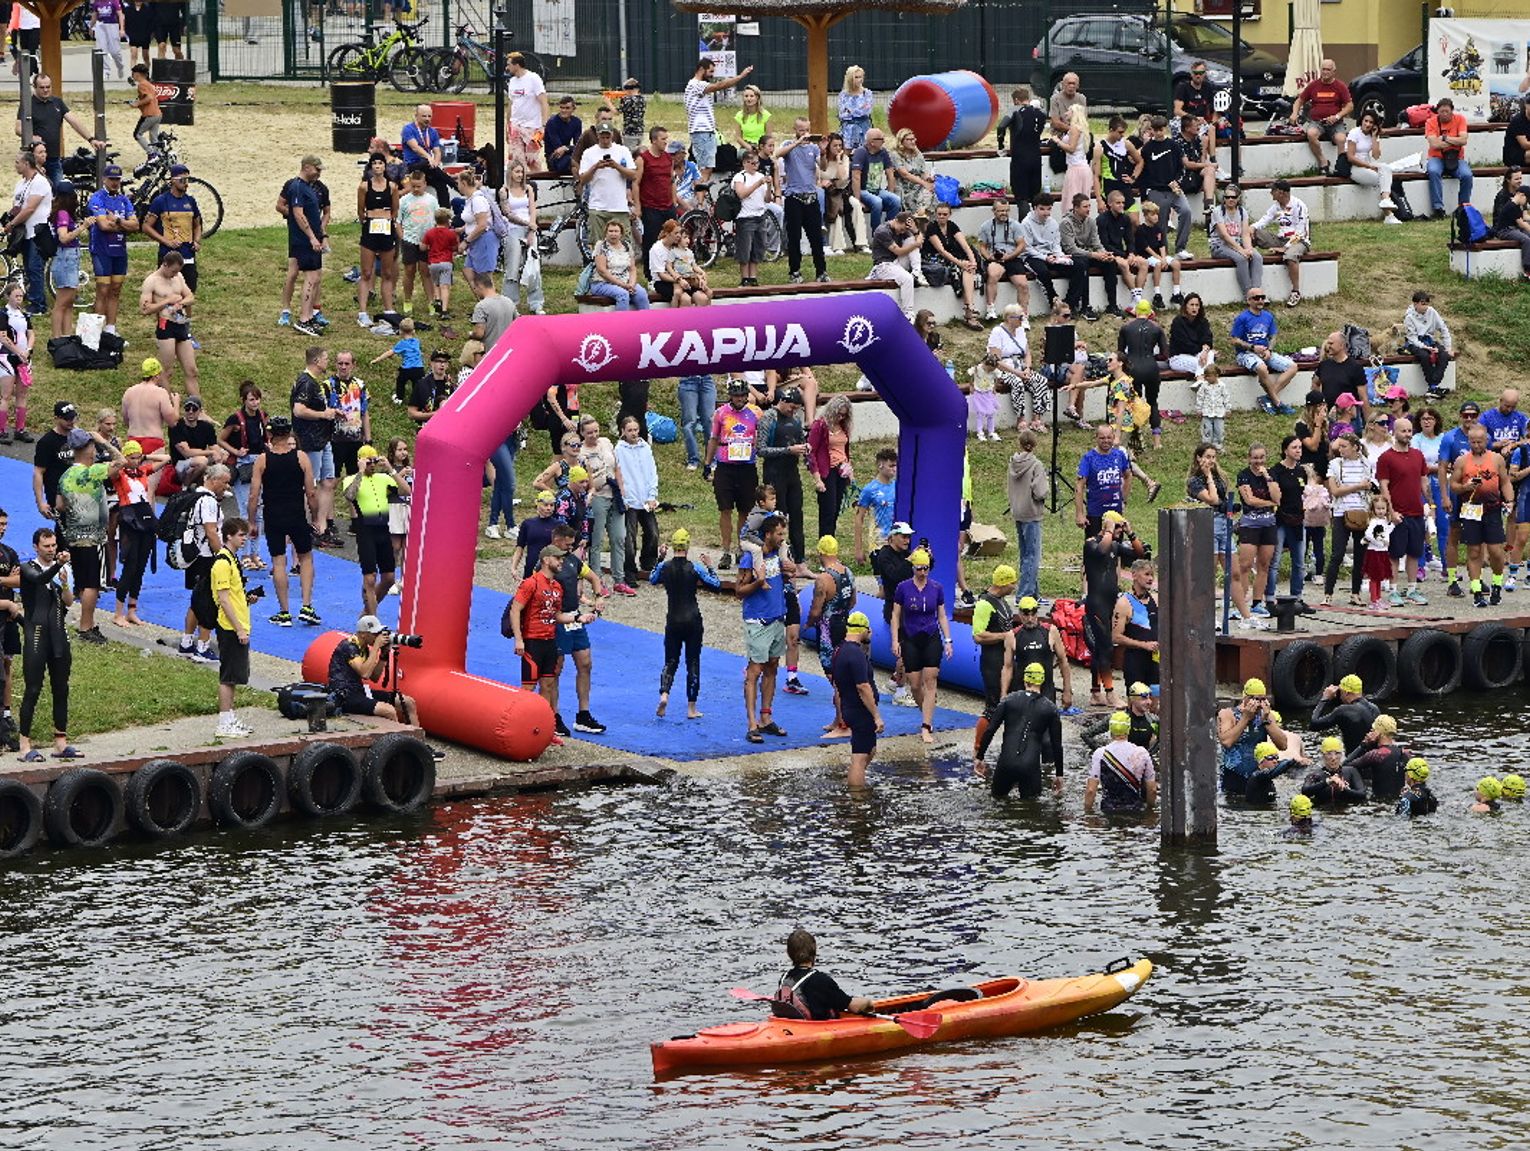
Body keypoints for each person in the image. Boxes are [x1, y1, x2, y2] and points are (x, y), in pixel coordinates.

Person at [15, 528, 80, 762]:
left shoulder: (63, 569)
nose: (52, 550)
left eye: (54, 546)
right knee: (33, 689)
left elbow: (69, 602)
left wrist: (64, 584)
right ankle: (24, 744)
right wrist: (57, 566)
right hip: (37, 634)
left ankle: (61, 741)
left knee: (61, 688)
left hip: (58, 633)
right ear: (36, 547)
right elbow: (40, 579)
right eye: (47, 546)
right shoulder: (27, 568)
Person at [54, 425, 123, 644]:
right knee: (92, 584)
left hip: (73, 534)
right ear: (90, 448)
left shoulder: (65, 475)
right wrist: (104, 442)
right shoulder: (92, 471)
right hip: (92, 537)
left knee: (83, 583)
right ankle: (86, 626)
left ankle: (88, 623)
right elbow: (122, 462)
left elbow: (60, 505)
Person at [248, 414, 318, 628]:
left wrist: (252, 521)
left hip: (273, 514)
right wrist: (314, 516)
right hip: (296, 513)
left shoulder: (263, 460)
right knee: (305, 558)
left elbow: (253, 494)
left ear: (269, 434)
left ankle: (284, 611)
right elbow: (311, 492)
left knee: (279, 561)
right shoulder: (301, 457)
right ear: (289, 434)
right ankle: (306, 606)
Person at [650, 528, 718, 721]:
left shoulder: (665, 567)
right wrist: (710, 566)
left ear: (672, 547)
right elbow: (716, 584)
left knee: (670, 661)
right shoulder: (695, 567)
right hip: (693, 620)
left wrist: (659, 558)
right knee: (693, 662)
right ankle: (691, 708)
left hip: (673, 619)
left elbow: (652, 579)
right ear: (687, 546)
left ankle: (664, 695)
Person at [738, 513, 791, 745]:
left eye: (783, 533)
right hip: (758, 621)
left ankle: (766, 718)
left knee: (772, 668)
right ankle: (751, 724)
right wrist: (758, 583)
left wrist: (791, 572)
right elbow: (739, 590)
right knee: (755, 671)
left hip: (777, 618)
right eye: (779, 534)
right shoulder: (750, 558)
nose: (782, 538)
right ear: (767, 534)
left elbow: (788, 575)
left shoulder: (780, 554)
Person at [975, 662, 1064, 800]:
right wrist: (1059, 775)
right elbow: (1056, 745)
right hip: (1030, 767)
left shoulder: (1008, 700)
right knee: (1031, 810)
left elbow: (990, 730)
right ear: (1042, 681)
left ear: (1024, 679)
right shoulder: (1050, 708)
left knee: (996, 803)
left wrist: (979, 757)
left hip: (1006, 763)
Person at [890, 548, 950, 746]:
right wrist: (894, 640)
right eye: (919, 569)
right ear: (913, 568)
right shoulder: (903, 588)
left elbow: (941, 615)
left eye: (926, 569)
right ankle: (927, 708)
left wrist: (948, 640)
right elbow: (896, 616)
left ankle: (926, 725)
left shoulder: (937, 588)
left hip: (931, 636)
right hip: (911, 637)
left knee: (930, 680)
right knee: (915, 685)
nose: (923, 573)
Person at [1451, 423, 1515, 607]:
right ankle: (1477, 591)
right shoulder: (1462, 461)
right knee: (1474, 551)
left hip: (1492, 508)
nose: (1477, 445)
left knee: (1496, 551)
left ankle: (1496, 584)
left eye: (1480, 442)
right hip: (1471, 509)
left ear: (1487, 440)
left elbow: (1505, 482)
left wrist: (1509, 500)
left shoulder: (1496, 459)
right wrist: (1465, 487)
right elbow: (1453, 485)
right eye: (1473, 442)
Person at [1373, 416, 1432, 605]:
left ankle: (1412, 589)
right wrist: (1391, 511)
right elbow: (1384, 486)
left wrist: (1431, 505)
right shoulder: (1386, 458)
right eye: (1403, 431)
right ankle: (1393, 590)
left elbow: (1424, 482)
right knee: (1395, 554)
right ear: (1394, 432)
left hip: (1416, 512)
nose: (1407, 434)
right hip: (1398, 514)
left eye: (1409, 431)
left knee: (1415, 553)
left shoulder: (1418, 455)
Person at [327, 614, 423, 726]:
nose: (377, 637)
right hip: (344, 695)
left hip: (359, 691)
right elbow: (365, 674)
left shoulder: (364, 648)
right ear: (363, 634)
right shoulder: (348, 646)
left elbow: (374, 677)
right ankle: (396, 742)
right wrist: (376, 647)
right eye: (374, 634)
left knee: (408, 703)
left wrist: (383, 656)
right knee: (388, 710)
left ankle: (418, 742)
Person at [704, 379, 759, 569]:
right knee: (725, 509)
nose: (740, 399)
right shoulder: (721, 413)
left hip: (747, 467)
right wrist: (707, 463)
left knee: (745, 510)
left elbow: (761, 436)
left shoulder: (755, 413)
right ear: (730, 396)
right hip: (725, 467)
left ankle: (741, 548)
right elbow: (713, 438)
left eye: (743, 395)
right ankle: (726, 551)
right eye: (736, 395)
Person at [15, 74, 102, 190]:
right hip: (35, 159)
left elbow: (74, 122)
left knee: (61, 191)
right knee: (36, 191)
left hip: (54, 158)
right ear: (35, 87)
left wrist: (90, 139)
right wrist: (32, 137)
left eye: (48, 87)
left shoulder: (57, 102)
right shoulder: (28, 105)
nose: (46, 90)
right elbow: (18, 128)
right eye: (42, 87)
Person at [806, 534, 856, 734]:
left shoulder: (823, 579)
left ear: (820, 553)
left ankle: (844, 724)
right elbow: (853, 602)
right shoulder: (849, 573)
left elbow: (816, 611)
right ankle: (838, 720)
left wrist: (808, 625)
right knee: (841, 674)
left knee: (836, 678)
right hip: (844, 624)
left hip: (827, 630)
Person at [827, 611, 883, 787]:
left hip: (849, 707)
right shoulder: (855, 654)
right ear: (863, 630)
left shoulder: (839, 650)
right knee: (859, 758)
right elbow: (863, 687)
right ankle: (856, 801)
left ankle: (854, 779)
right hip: (860, 710)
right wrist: (876, 716)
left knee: (870, 750)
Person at [775, 928, 876, 1020]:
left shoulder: (784, 978)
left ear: (789, 954)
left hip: (790, 1026)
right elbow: (853, 1006)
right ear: (814, 952)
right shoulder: (820, 980)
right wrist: (868, 1002)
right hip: (816, 1030)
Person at [277, 155, 327, 335]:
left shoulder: (308, 187)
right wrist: (312, 237)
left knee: (314, 278)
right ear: (306, 167)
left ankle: (309, 317)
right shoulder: (297, 187)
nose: (319, 173)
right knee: (310, 278)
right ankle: (304, 318)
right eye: (317, 169)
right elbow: (298, 214)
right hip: (304, 241)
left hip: (311, 239)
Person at [1230, 287, 1298, 416]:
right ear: (1249, 301)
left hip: (1265, 351)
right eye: (1256, 298)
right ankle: (1277, 402)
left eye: (1262, 297)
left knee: (1292, 367)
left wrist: (1270, 350)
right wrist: (1252, 347)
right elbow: (1234, 340)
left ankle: (1268, 397)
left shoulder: (1268, 316)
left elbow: (1273, 336)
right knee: (1262, 368)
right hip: (1246, 353)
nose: (1260, 300)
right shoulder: (1242, 318)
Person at [685, 58, 753, 186]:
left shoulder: (697, 86)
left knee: (706, 167)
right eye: (710, 71)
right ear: (701, 69)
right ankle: (698, 198)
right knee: (705, 168)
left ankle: (700, 196)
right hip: (702, 131)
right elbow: (719, 86)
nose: (712, 75)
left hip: (706, 131)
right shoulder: (696, 84)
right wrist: (741, 76)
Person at [1019, 194, 1090, 317]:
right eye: (1042, 209)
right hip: (1033, 257)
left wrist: (1060, 256)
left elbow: (1056, 244)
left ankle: (1069, 305)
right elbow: (1027, 248)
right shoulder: (1026, 223)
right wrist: (1044, 257)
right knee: (1042, 271)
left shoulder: (1053, 223)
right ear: (1034, 208)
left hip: (1051, 255)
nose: (1046, 212)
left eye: (1049, 209)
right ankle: (1054, 300)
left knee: (1080, 265)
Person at [778, 117, 829, 285]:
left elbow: (823, 166)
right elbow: (777, 155)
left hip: (811, 196)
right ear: (795, 129)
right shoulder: (788, 145)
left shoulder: (813, 148)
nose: (804, 133)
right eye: (801, 130)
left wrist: (822, 152)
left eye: (806, 130)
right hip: (794, 197)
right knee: (794, 237)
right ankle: (794, 271)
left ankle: (821, 271)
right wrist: (797, 142)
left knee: (816, 237)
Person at [139, 250, 197, 396]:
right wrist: (166, 302)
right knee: (166, 371)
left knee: (192, 370)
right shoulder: (151, 281)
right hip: (166, 326)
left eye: (178, 272)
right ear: (165, 265)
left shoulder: (178, 277)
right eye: (173, 271)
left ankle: (198, 407)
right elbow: (145, 309)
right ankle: (168, 404)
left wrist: (181, 304)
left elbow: (190, 296)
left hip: (180, 324)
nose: (175, 274)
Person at [1137, 116, 1193, 260]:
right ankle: (1164, 252)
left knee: (1186, 211)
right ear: (1151, 131)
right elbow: (1143, 173)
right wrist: (1144, 196)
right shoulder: (1147, 148)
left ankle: (1181, 248)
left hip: (1173, 189)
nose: (1159, 133)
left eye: (1161, 130)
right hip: (1156, 190)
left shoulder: (1173, 145)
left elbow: (1181, 167)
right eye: (1156, 130)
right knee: (1160, 219)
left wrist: (1176, 181)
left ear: (1165, 129)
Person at [354, 153, 399, 330]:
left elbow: (395, 210)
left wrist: (388, 220)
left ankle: (388, 310)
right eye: (375, 163)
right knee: (366, 271)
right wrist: (369, 220)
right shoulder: (364, 187)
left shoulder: (392, 187)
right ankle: (363, 312)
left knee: (387, 272)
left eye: (381, 163)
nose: (378, 166)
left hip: (386, 228)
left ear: (385, 166)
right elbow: (360, 210)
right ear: (371, 167)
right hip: (371, 228)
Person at [1251, 181, 1312, 308]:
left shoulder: (1299, 205)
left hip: (1299, 241)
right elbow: (1265, 219)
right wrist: (1252, 228)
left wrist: (1285, 248)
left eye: (1273, 190)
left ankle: (1295, 291)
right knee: (1254, 234)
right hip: (1280, 239)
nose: (1270, 193)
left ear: (1281, 192)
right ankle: (1254, 285)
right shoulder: (1276, 206)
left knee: (1290, 256)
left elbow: (1301, 232)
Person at [1085, 711, 1157, 816]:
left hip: (1108, 810)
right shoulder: (1142, 753)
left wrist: (1088, 815)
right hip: (1135, 809)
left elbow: (1091, 790)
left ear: (1110, 730)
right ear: (1128, 730)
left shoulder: (1100, 753)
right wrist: (1150, 812)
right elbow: (1152, 789)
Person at [1288, 58, 1353, 174]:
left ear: (1334, 71)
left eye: (1328, 69)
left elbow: (1349, 105)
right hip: (1317, 122)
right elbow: (1299, 100)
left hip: (1335, 122)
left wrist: (1337, 116)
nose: (1325, 72)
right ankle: (1323, 162)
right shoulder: (1313, 85)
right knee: (1311, 134)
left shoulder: (1340, 86)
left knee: (1341, 139)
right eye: (1323, 69)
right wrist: (1294, 113)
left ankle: (1340, 167)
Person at [973, 199, 1031, 322]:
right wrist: (989, 257)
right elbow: (982, 247)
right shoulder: (986, 226)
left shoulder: (1015, 225)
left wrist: (1010, 256)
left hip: (1013, 257)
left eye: (1006, 210)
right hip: (995, 257)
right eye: (1000, 211)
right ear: (994, 211)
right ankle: (990, 309)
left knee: (1023, 284)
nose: (1003, 213)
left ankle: (1023, 316)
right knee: (993, 274)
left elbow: (1021, 245)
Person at [1074, 424, 1131, 538]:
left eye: (1109, 437)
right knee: (1095, 550)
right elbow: (1079, 487)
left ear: (1113, 437)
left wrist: (1123, 500)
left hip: (1115, 512)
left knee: (1115, 549)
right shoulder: (1088, 458)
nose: (1106, 441)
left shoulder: (1119, 455)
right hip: (1095, 513)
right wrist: (1079, 514)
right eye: (1102, 438)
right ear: (1096, 438)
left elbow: (1128, 476)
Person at [1344, 109, 1399, 223]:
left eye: (1371, 122)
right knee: (1382, 179)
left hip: (1368, 164)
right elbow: (1350, 157)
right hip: (1355, 168)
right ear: (1362, 120)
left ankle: (1386, 204)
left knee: (1386, 168)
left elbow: (1376, 155)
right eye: (1366, 121)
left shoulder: (1373, 135)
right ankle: (1389, 214)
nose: (1367, 124)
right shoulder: (1354, 133)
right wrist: (1368, 166)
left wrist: (1374, 136)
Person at [1209, 184, 1263, 299]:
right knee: (1241, 258)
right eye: (1227, 197)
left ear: (1238, 198)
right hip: (1220, 246)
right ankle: (1248, 294)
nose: (1230, 200)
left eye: (1233, 197)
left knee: (1257, 257)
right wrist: (1241, 250)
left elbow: (1245, 234)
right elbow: (1224, 235)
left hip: (1238, 244)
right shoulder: (1218, 211)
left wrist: (1248, 249)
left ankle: (1256, 292)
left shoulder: (1242, 212)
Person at [1112, 558, 1158, 690]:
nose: (1150, 578)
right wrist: (1143, 645)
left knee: (1156, 705)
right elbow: (1116, 637)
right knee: (1137, 704)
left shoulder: (1156, 600)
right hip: (1135, 661)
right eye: (1146, 574)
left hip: (1155, 661)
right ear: (1134, 575)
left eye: (1152, 575)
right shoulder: (1124, 603)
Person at [1341, 712, 1409, 801]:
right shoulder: (1404, 753)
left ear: (1378, 733)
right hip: (1399, 800)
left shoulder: (1376, 755)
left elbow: (1345, 765)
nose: (1371, 732)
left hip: (1379, 803)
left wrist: (1364, 744)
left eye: (1373, 730)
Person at [1308, 673, 1379, 756]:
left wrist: (1324, 699)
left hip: (1353, 763)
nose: (1340, 697)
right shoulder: (1375, 709)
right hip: (1373, 761)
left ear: (1347, 693)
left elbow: (1313, 724)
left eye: (1341, 693)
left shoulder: (1344, 710)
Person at [1424, 97, 1472, 219]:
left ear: (1452, 111)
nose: (1444, 114)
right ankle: (1438, 208)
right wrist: (1455, 142)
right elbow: (1434, 144)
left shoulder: (1460, 119)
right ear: (1437, 112)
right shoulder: (1430, 122)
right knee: (1433, 171)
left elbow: (1464, 140)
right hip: (1436, 157)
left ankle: (1463, 207)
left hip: (1456, 158)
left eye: (1447, 111)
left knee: (1467, 175)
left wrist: (1444, 138)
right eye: (1441, 112)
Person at [866, 209, 920, 318]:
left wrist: (916, 232)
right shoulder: (882, 231)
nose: (902, 232)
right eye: (902, 229)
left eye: (905, 230)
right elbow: (898, 251)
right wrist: (916, 244)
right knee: (907, 279)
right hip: (883, 265)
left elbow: (919, 244)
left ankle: (917, 272)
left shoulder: (905, 230)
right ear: (896, 221)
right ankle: (908, 313)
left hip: (896, 262)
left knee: (911, 241)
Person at [999, 85, 1046, 206]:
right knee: (1035, 197)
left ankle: (1023, 224)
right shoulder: (1040, 113)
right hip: (1036, 157)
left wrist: (1001, 145)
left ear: (1016, 100)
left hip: (1019, 158)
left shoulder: (1014, 110)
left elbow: (1001, 127)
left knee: (1022, 197)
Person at [399, 104, 453, 207]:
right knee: (425, 162)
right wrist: (429, 158)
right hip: (412, 166)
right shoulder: (408, 129)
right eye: (424, 116)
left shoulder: (432, 131)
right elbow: (415, 147)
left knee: (441, 183)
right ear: (416, 116)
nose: (427, 119)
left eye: (429, 116)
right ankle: (454, 184)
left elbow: (437, 151)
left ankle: (445, 213)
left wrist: (436, 163)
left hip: (429, 168)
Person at [505, 51, 549, 173]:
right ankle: (520, 185)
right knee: (517, 160)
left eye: (509, 64)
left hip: (532, 126)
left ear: (517, 65)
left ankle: (537, 185)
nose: (507, 68)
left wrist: (543, 125)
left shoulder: (533, 78)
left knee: (532, 160)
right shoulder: (512, 82)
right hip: (515, 125)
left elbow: (544, 102)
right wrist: (507, 125)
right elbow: (511, 103)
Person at [850, 128, 902, 233]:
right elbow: (856, 177)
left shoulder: (883, 152)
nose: (884, 141)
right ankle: (877, 234)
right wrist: (858, 200)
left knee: (896, 200)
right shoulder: (861, 152)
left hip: (877, 190)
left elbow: (890, 173)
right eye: (881, 139)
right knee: (877, 202)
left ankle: (889, 231)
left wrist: (890, 192)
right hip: (863, 190)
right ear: (872, 142)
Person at [1302, 735, 1368, 807]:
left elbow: (1362, 794)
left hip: (1346, 814)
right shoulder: (1315, 775)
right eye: (1329, 753)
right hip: (1323, 813)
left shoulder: (1351, 771)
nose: (1333, 758)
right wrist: (1327, 782)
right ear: (1323, 755)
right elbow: (1305, 791)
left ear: (1342, 755)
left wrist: (1343, 789)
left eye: (1337, 753)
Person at [837, 65, 874, 154]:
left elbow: (866, 111)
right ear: (850, 79)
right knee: (846, 153)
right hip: (848, 129)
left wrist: (851, 111)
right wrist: (858, 110)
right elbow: (842, 114)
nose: (859, 80)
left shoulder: (867, 93)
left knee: (865, 152)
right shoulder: (843, 95)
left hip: (864, 128)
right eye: (856, 77)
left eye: (860, 77)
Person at [544, 95, 581, 176]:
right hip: (554, 157)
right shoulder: (552, 122)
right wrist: (569, 148)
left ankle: (581, 183)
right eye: (562, 108)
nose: (564, 111)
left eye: (567, 108)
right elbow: (558, 148)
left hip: (568, 154)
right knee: (572, 160)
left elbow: (579, 145)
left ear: (573, 109)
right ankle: (580, 184)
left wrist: (567, 148)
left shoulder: (577, 122)